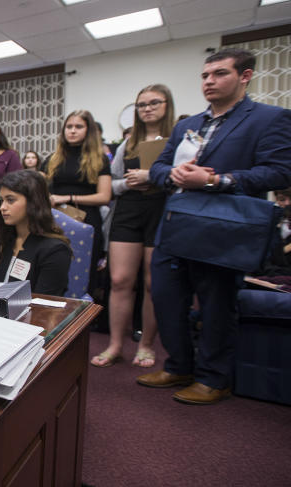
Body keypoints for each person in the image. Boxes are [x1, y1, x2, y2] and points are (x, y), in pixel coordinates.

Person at [139, 48, 291, 404]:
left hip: (225, 229)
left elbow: (280, 172)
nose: (209, 81)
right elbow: (158, 169)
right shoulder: (186, 126)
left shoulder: (270, 119)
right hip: (176, 225)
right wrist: (173, 173)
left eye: (219, 74)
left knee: (217, 303)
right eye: (205, 76)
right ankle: (178, 366)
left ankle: (213, 377)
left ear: (245, 76)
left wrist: (215, 181)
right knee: (166, 298)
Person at [92, 84, 176, 369]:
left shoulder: (178, 140)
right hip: (128, 210)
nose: (147, 108)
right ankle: (115, 345)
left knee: (153, 284)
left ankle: (147, 345)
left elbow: (183, 179)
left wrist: (153, 175)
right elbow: (112, 185)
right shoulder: (127, 144)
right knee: (119, 281)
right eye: (142, 104)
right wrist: (129, 182)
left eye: (154, 103)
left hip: (161, 210)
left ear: (167, 105)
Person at [46, 110, 112, 275]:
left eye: (78, 126)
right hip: (54, 219)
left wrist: (68, 197)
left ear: (88, 131)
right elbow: (37, 186)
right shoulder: (52, 158)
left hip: (86, 220)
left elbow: (104, 196)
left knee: (82, 273)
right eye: (69, 126)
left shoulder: (100, 159)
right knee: (54, 269)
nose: (72, 130)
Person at [0, 170, 72, 296]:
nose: (2, 207)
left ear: (33, 202)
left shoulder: (55, 250)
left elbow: (44, 306)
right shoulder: (6, 238)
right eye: (2, 200)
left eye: (10, 200)